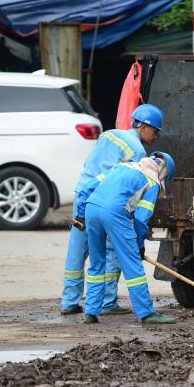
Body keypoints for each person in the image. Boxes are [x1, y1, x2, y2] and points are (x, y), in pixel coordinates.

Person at [60, 104, 163, 316]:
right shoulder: (138, 151)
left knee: (77, 251)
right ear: (143, 127)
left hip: (84, 194)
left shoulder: (109, 134)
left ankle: (69, 302)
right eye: (155, 131)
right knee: (110, 252)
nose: (156, 136)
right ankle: (107, 302)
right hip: (106, 199)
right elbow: (128, 187)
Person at [74, 152, 177, 324]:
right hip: (114, 212)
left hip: (91, 208)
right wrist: (138, 245)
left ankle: (91, 312)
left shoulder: (122, 166)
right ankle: (146, 313)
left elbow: (88, 187)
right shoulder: (153, 183)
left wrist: (80, 215)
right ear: (164, 174)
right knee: (133, 265)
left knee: (97, 263)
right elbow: (141, 219)